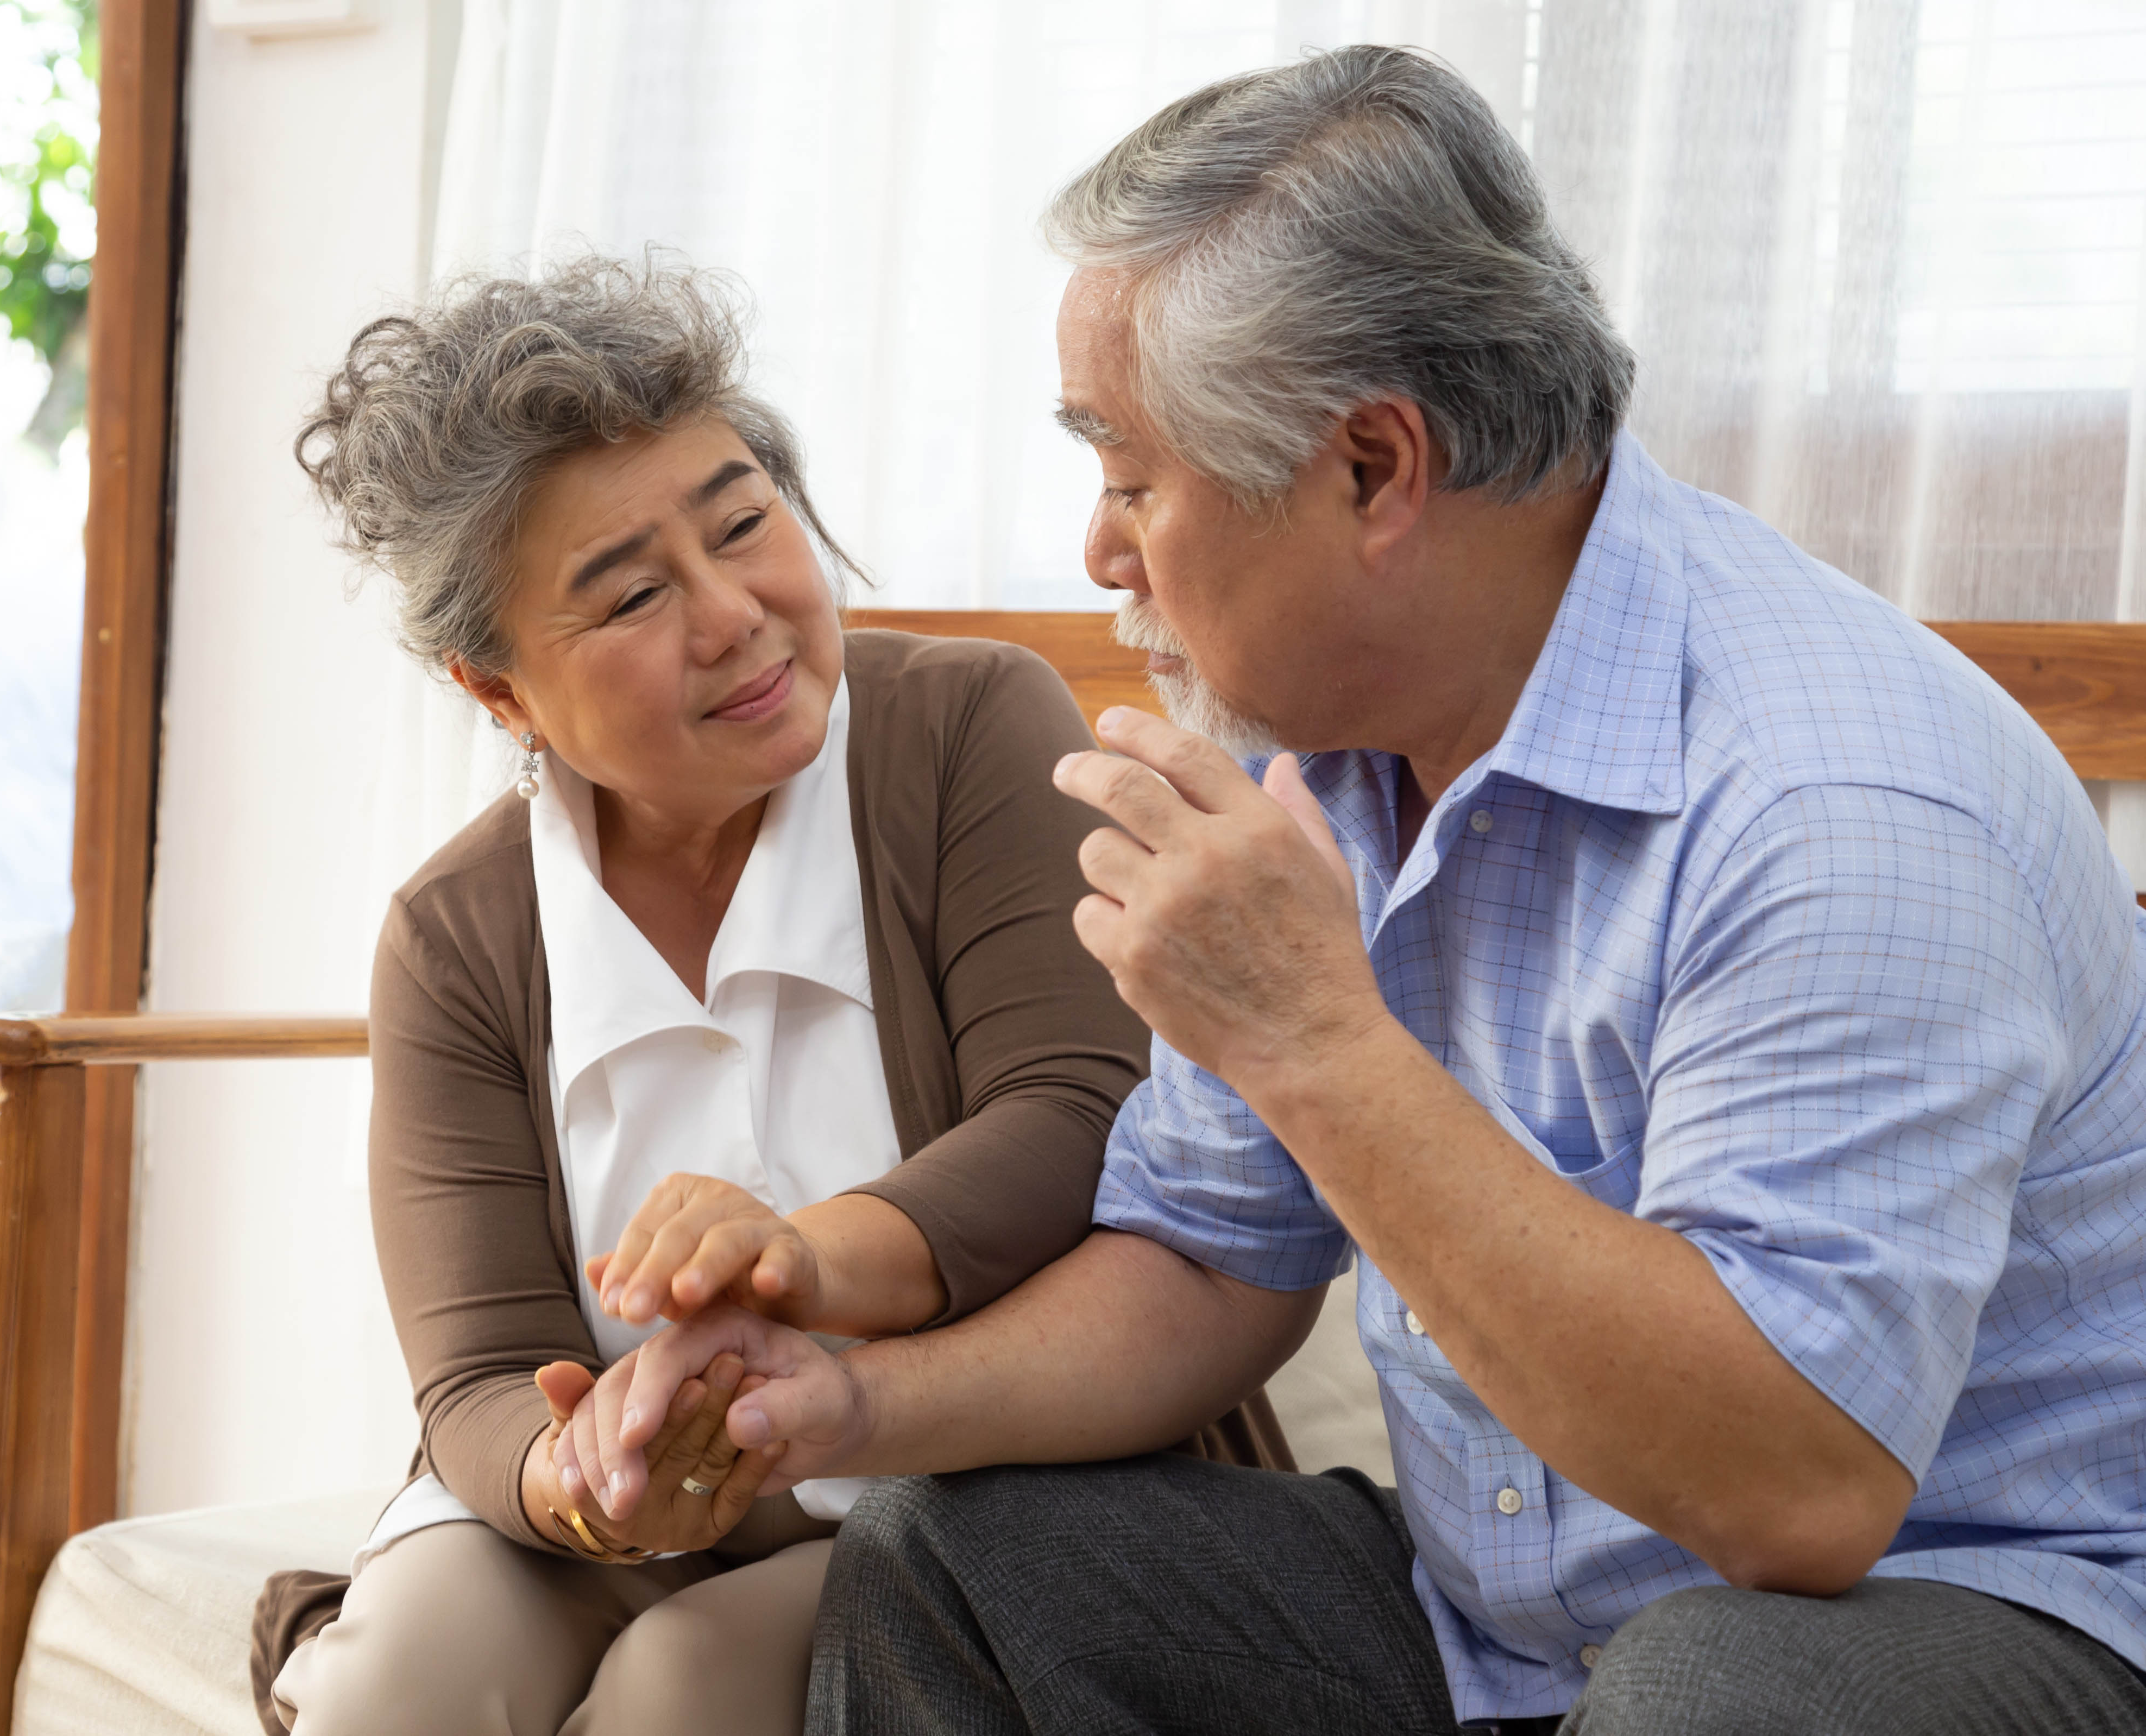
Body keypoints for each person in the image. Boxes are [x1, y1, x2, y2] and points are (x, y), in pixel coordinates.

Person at [559, 49, 2146, 1736]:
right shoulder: (1316, 757)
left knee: (1721, 1691)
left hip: (1961, 1622)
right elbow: (1204, 1261)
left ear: (1372, 470)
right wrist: (850, 1404)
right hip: (1508, 1636)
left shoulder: (1834, 801)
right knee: (960, 1557)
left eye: (1130, 478)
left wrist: (1313, 1034)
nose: (1101, 552)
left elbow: (1791, 1501)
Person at [248, 257, 1289, 1736]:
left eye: (744, 525)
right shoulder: (455, 935)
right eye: (628, 595)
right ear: (498, 691)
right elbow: (478, 1377)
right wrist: (588, 1476)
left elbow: (1076, 1118)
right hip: (616, 1517)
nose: (733, 613)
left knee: (689, 1686)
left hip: (955, 1483)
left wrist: (792, 1260)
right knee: (397, 1690)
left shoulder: (965, 728)